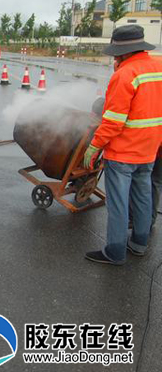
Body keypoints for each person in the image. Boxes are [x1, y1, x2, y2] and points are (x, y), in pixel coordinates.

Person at [83, 25, 162, 265]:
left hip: (124, 152)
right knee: (143, 195)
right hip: (149, 148)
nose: (115, 57)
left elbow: (114, 121)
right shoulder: (158, 66)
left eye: (117, 53)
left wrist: (94, 146)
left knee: (118, 203)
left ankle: (115, 252)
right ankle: (139, 243)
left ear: (125, 52)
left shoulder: (125, 75)